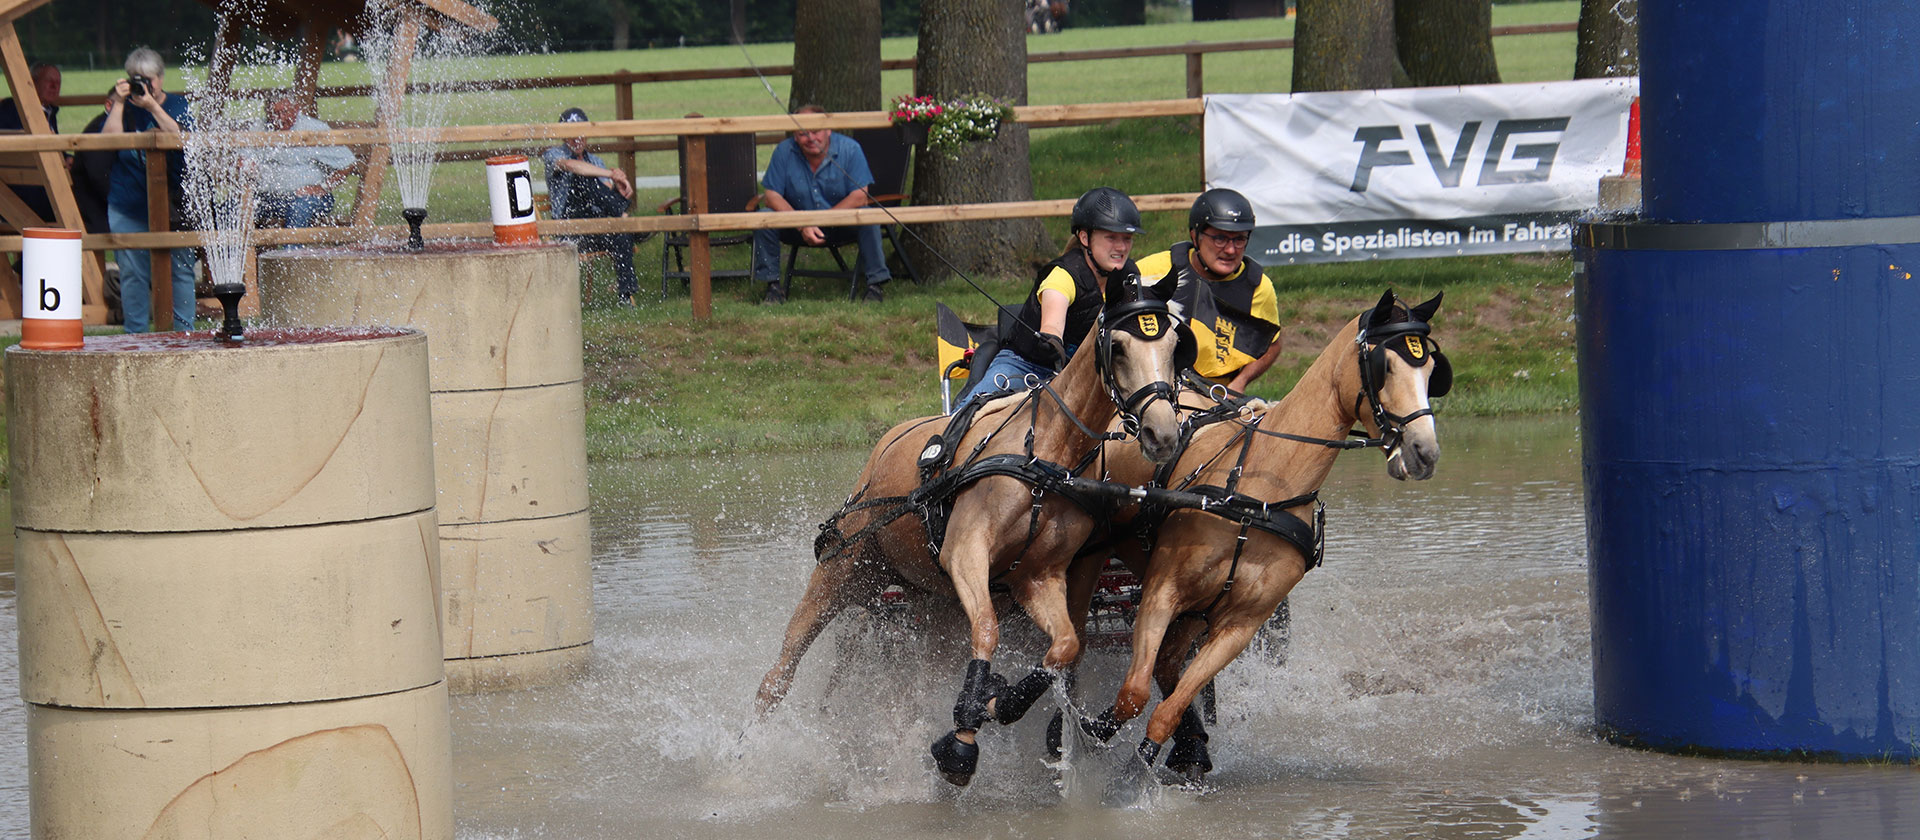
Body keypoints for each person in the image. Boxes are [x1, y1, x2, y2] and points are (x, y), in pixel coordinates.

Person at [954, 186, 1148, 408]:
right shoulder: (1063, 276)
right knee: (973, 410)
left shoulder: (1129, 277)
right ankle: (946, 438)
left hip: (1088, 375)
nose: (1121, 247)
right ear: (1085, 237)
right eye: (1111, 237)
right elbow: (1052, 325)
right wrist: (1052, 339)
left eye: (1127, 238)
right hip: (1025, 367)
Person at [1135, 188, 1282, 394]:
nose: (1230, 250)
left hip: (1217, 398)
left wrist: (1240, 382)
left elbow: (1271, 345)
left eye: (1239, 239)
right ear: (1195, 236)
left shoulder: (1257, 287)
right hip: (1160, 393)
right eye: (1220, 238)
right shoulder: (1155, 270)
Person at [753, 104, 890, 304]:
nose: (810, 138)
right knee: (762, 216)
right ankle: (772, 287)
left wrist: (825, 219)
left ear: (828, 129)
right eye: (802, 133)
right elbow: (772, 195)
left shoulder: (850, 149)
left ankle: (875, 286)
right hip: (797, 226)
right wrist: (802, 224)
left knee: (868, 215)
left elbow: (860, 195)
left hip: (842, 224)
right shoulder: (784, 151)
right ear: (795, 135)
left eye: (815, 131)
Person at [104, 48, 196, 333]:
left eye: (149, 80)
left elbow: (180, 139)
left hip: (174, 205)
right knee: (132, 274)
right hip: (128, 203)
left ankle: (184, 335)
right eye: (136, 79)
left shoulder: (178, 105)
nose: (143, 85)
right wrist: (119, 103)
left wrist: (153, 107)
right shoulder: (122, 106)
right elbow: (109, 142)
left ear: (161, 78)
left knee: (180, 271)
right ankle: (137, 337)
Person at [541, 107, 639, 304]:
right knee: (584, 180)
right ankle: (625, 218)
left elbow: (605, 192)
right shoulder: (553, 155)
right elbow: (571, 166)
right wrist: (610, 175)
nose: (577, 139)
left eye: (581, 133)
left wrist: (618, 185)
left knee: (620, 233)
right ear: (563, 136)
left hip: (595, 225)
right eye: (571, 134)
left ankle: (625, 295)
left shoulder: (595, 160)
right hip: (570, 229)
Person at [252, 95, 355, 229]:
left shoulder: (313, 129)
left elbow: (348, 162)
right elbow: (244, 160)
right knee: (233, 207)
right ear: (267, 112)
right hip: (269, 198)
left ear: (296, 110)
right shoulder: (258, 128)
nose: (280, 118)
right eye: (274, 113)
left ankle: (292, 249)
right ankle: (235, 249)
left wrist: (322, 187)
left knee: (298, 208)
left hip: (309, 199)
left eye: (284, 112)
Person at [0, 62, 62, 223]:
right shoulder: (11, 110)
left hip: (40, 185)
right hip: (22, 192)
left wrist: (66, 157)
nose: (55, 86)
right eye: (49, 81)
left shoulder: (48, 111)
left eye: (58, 82)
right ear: (32, 82)